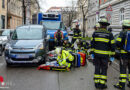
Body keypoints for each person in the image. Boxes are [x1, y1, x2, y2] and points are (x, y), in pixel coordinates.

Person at [91, 18, 115, 89]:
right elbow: (112, 46)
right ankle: (102, 85)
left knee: (97, 68)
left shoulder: (95, 33)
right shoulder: (109, 34)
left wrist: (92, 53)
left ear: (100, 25)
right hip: (105, 56)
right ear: (106, 26)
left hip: (96, 55)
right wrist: (112, 56)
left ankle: (96, 83)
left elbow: (92, 44)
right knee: (104, 69)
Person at [114, 20, 130, 90]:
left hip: (124, 55)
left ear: (123, 26)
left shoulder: (122, 33)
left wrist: (118, 48)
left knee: (123, 70)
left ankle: (121, 85)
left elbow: (118, 43)